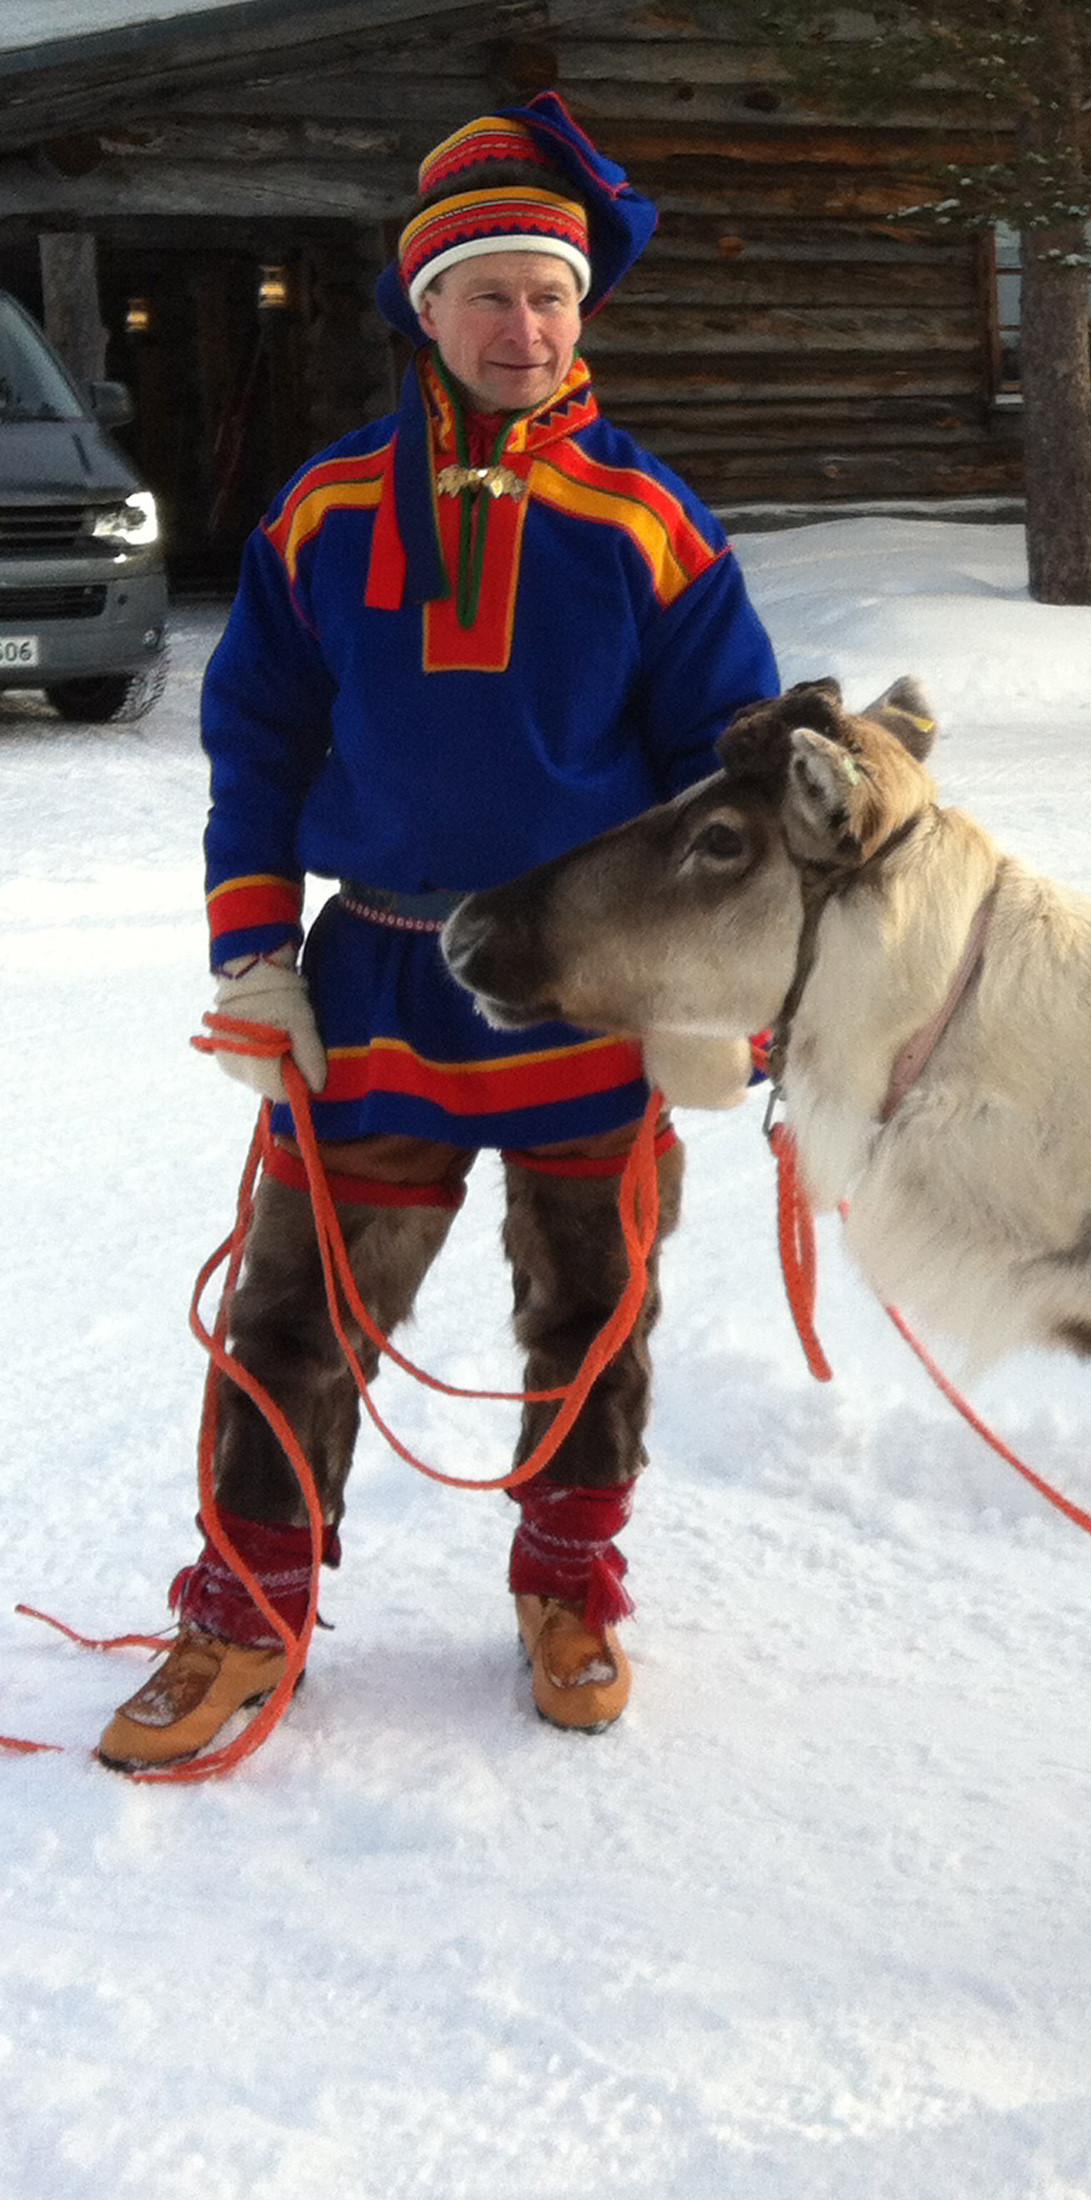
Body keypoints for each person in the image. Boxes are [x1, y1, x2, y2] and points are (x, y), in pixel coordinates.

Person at [98, 94, 779, 1769]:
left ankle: (571, 1582)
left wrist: (718, 984)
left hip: (588, 987)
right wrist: (254, 951)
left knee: (595, 1303)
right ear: (426, 308)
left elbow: (734, 767)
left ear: (580, 311)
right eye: (490, 294)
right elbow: (254, 734)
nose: (524, 326)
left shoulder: (651, 521)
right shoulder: (322, 512)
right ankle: (244, 1609)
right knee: (297, 1309)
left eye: (549, 296)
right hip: (385, 973)